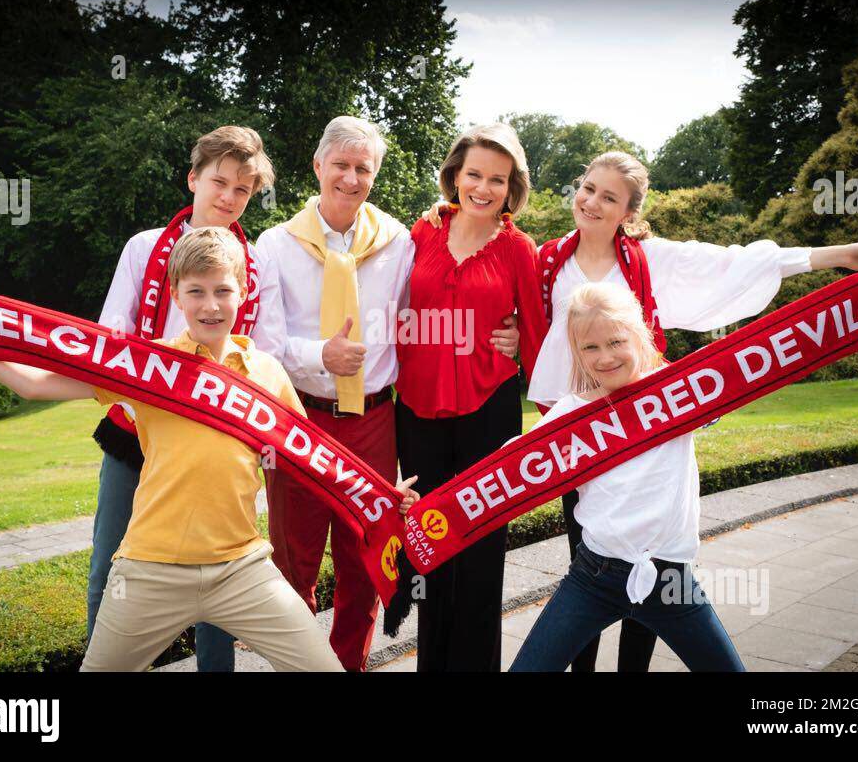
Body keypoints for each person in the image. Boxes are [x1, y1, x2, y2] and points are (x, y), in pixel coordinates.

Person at [425, 149, 858, 672]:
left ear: (629, 212)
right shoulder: (548, 259)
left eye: (609, 197)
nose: (592, 202)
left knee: (650, 574)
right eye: (588, 188)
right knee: (593, 554)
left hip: (651, 421)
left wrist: (834, 256)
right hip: (577, 430)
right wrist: (503, 323)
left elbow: (734, 264)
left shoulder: (649, 258)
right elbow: (501, 300)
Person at [0, 228, 419, 671]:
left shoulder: (266, 372)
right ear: (177, 295)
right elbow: (34, 383)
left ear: (243, 293)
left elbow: (315, 461)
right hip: (148, 571)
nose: (210, 304)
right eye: (196, 291)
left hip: (242, 569)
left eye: (223, 290)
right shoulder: (144, 365)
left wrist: (379, 496)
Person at [253, 116, 520, 671]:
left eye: (363, 168)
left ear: (374, 175)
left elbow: (430, 310)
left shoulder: (400, 240)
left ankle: (349, 665)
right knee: (294, 562)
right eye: (341, 166)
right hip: (298, 419)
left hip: (376, 420)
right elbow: (263, 343)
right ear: (318, 167)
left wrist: (505, 329)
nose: (350, 178)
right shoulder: (274, 245)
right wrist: (318, 354)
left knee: (367, 562)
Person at [91, 125, 280, 672]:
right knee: (111, 567)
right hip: (135, 431)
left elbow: (258, 355)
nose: (228, 197)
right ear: (193, 178)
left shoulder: (255, 265)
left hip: (215, 440)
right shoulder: (145, 247)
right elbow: (110, 335)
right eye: (219, 182)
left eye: (242, 190)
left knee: (216, 573)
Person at [509, 282, 744, 672]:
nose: (605, 358)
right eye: (590, 347)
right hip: (593, 577)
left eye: (616, 341)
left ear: (639, 334)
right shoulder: (571, 414)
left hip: (671, 582)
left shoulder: (678, 392)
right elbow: (508, 468)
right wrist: (430, 506)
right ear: (577, 353)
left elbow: (751, 364)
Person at [394, 123, 549, 671]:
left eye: (498, 180)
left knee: (482, 550)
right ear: (455, 175)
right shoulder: (419, 234)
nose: (483, 188)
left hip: (490, 412)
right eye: (475, 174)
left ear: (513, 188)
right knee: (430, 545)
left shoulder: (517, 248)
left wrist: (515, 346)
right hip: (417, 412)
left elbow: (536, 335)